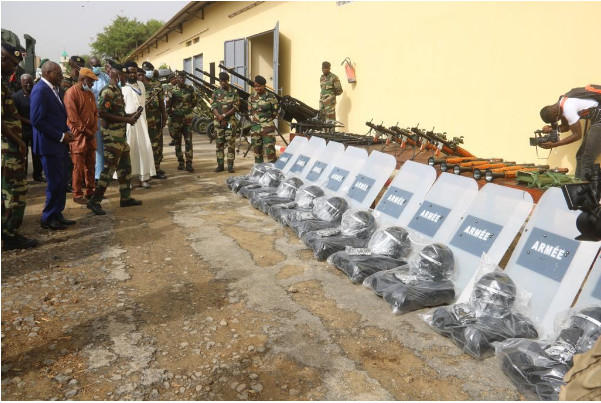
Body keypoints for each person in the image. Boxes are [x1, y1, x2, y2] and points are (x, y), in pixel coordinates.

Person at [86, 64, 143, 216]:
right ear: (117, 76)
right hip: (112, 136)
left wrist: (129, 116)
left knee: (125, 167)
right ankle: (95, 201)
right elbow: (102, 113)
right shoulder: (108, 91)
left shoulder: (117, 90)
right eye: (124, 77)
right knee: (109, 169)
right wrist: (126, 119)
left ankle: (125, 197)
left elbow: (117, 112)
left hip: (120, 136)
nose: (127, 79)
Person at [30, 61, 77, 231]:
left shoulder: (54, 89)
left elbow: (57, 115)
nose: (61, 77)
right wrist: (60, 135)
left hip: (58, 144)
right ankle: (48, 217)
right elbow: (37, 120)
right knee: (55, 182)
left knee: (61, 180)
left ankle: (57, 214)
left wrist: (66, 131)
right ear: (48, 73)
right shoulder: (40, 90)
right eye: (58, 74)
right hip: (49, 145)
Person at [1, 43, 38, 250]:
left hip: (9, 147)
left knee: (8, 192)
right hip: (8, 149)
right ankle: (11, 235)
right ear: (2, 59)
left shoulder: (4, 82)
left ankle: (7, 231)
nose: (14, 69)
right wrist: (19, 141)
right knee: (16, 193)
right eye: (13, 64)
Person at [539, 84, 601, 180]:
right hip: (596, 120)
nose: (555, 122)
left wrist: (554, 144)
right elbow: (566, 127)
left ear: (555, 114)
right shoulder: (561, 103)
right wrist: (551, 129)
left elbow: (577, 135)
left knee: (587, 159)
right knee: (580, 156)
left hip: (599, 120)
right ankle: (577, 185)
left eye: (554, 120)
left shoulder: (568, 109)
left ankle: (585, 190)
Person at [63, 67, 98, 204]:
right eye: (91, 81)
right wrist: (87, 131)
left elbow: (95, 112)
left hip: (90, 135)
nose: (92, 84)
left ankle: (90, 191)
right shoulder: (71, 93)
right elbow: (73, 118)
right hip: (78, 136)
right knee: (78, 166)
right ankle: (77, 194)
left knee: (91, 164)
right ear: (83, 79)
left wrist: (93, 129)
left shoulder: (90, 94)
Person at [121, 61, 155, 188]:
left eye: (134, 72)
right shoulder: (122, 87)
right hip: (128, 124)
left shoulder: (141, 85)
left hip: (141, 123)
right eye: (130, 72)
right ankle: (127, 180)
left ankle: (143, 177)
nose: (132, 74)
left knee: (143, 149)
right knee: (129, 150)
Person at [12, 73, 45, 182]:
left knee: (37, 152)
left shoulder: (37, 94)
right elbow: (16, 114)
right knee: (24, 151)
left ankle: (37, 175)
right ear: (21, 83)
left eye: (30, 82)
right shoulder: (16, 96)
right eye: (26, 83)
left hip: (36, 129)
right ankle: (23, 175)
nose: (28, 85)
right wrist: (30, 122)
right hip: (23, 129)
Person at [140, 61, 167, 179]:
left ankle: (156, 168)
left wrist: (164, 116)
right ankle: (146, 170)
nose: (149, 72)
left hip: (156, 118)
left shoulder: (157, 84)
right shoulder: (139, 84)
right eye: (147, 70)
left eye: (151, 69)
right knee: (146, 144)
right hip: (144, 119)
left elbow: (161, 102)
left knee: (157, 143)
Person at [167, 70, 198, 172]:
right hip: (176, 119)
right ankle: (180, 161)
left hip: (187, 120)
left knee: (188, 141)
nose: (181, 79)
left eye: (183, 78)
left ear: (185, 78)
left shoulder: (190, 89)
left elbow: (194, 102)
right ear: (176, 78)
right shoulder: (172, 90)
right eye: (179, 78)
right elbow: (168, 105)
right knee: (177, 141)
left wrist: (186, 110)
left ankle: (189, 163)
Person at [210, 71, 239, 173]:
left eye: (225, 81)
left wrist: (224, 116)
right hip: (218, 124)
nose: (223, 83)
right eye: (221, 81)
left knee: (230, 144)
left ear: (228, 81)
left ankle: (230, 165)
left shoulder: (234, 93)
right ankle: (220, 165)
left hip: (230, 123)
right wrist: (219, 116)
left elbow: (235, 107)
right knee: (219, 145)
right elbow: (212, 106)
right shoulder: (216, 93)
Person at [248, 75, 279, 164]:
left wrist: (266, 121)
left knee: (270, 152)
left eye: (259, 86)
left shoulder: (271, 97)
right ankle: (259, 171)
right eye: (255, 86)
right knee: (257, 152)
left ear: (264, 86)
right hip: (255, 128)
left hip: (268, 129)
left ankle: (272, 172)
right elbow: (250, 112)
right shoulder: (251, 97)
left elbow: (274, 112)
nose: (256, 88)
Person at [89, 56, 110, 182]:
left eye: (98, 65)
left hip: (105, 115)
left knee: (105, 145)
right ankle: (97, 174)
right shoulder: (87, 78)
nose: (97, 67)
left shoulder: (105, 77)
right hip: (92, 115)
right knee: (97, 146)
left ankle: (104, 172)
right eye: (94, 65)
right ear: (89, 66)